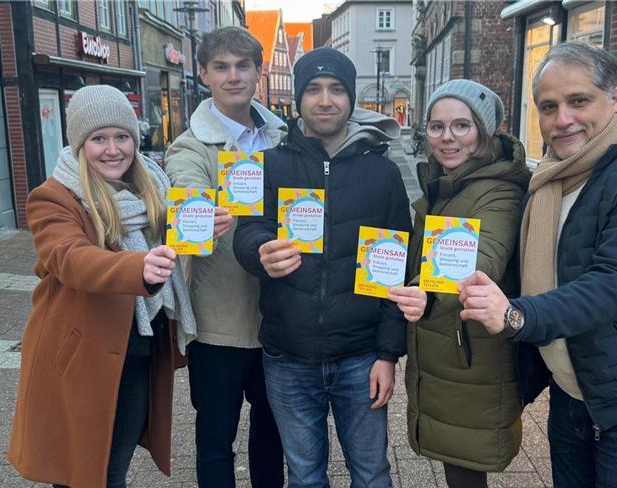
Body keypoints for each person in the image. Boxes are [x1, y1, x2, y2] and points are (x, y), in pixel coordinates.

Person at [457, 42, 617, 487]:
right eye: (548, 107)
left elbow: (614, 283)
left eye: (578, 101)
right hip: (572, 391)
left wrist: (517, 315)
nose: (562, 119)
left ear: (615, 98)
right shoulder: (549, 177)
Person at [233, 47, 412, 487]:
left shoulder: (383, 174)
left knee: (371, 474)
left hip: (361, 355)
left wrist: (387, 354)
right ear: (298, 98)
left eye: (336, 89)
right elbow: (247, 231)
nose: (325, 100)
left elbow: (397, 272)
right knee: (305, 476)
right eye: (313, 89)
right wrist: (260, 251)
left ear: (351, 98)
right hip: (288, 355)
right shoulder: (269, 165)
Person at [8, 85, 198, 487]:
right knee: (80, 472)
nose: (113, 150)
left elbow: (166, 242)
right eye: (98, 139)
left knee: (113, 468)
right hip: (80, 358)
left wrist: (199, 228)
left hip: (137, 354)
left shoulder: (153, 188)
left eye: (122, 137)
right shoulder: (53, 197)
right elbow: (70, 258)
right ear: (80, 144)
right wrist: (138, 268)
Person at [386, 80, 531, 488]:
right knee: (459, 465)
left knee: (465, 469)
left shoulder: (498, 190)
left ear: (484, 131)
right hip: (450, 349)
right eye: (436, 126)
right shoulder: (450, 184)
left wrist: (427, 292)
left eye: (461, 126)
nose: (447, 137)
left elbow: (484, 257)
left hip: (471, 354)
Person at [164, 26, 285, 488]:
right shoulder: (190, 146)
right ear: (204, 74)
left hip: (280, 317)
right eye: (221, 67)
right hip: (219, 321)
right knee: (216, 440)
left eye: (242, 65)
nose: (233, 76)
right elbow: (186, 186)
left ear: (258, 71)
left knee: (272, 437)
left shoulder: (283, 137)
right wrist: (197, 213)